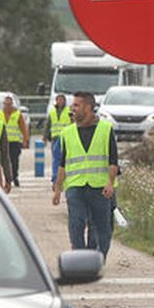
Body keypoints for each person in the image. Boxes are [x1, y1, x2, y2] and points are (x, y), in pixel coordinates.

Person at [52, 91, 118, 257]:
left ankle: (97, 257)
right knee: (76, 222)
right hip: (75, 185)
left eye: (76, 105)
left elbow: (113, 161)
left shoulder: (106, 129)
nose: (72, 108)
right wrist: (58, 188)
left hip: (100, 186)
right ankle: (80, 258)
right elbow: (63, 163)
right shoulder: (67, 132)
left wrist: (110, 183)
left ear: (88, 107)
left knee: (101, 226)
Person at [0, 94, 30, 188]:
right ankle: (7, 178)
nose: (7, 106)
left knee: (14, 161)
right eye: (5, 104)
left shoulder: (17, 114)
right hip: (2, 142)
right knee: (3, 161)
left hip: (14, 142)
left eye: (9, 104)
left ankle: (15, 177)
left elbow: (23, 129)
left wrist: (25, 140)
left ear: (12, 104)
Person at [45, 93, 73, 182]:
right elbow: (47, 125)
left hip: (67, 137)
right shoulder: (52, 112)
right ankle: (55, 176)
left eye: (62, 100)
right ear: (56, 101)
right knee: (56, 158)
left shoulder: (69, 111)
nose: (60, 101)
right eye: (58, 100)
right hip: (55, 138)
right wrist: (45, 137)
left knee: (66, 157)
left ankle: (66, 175)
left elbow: (74, 123)